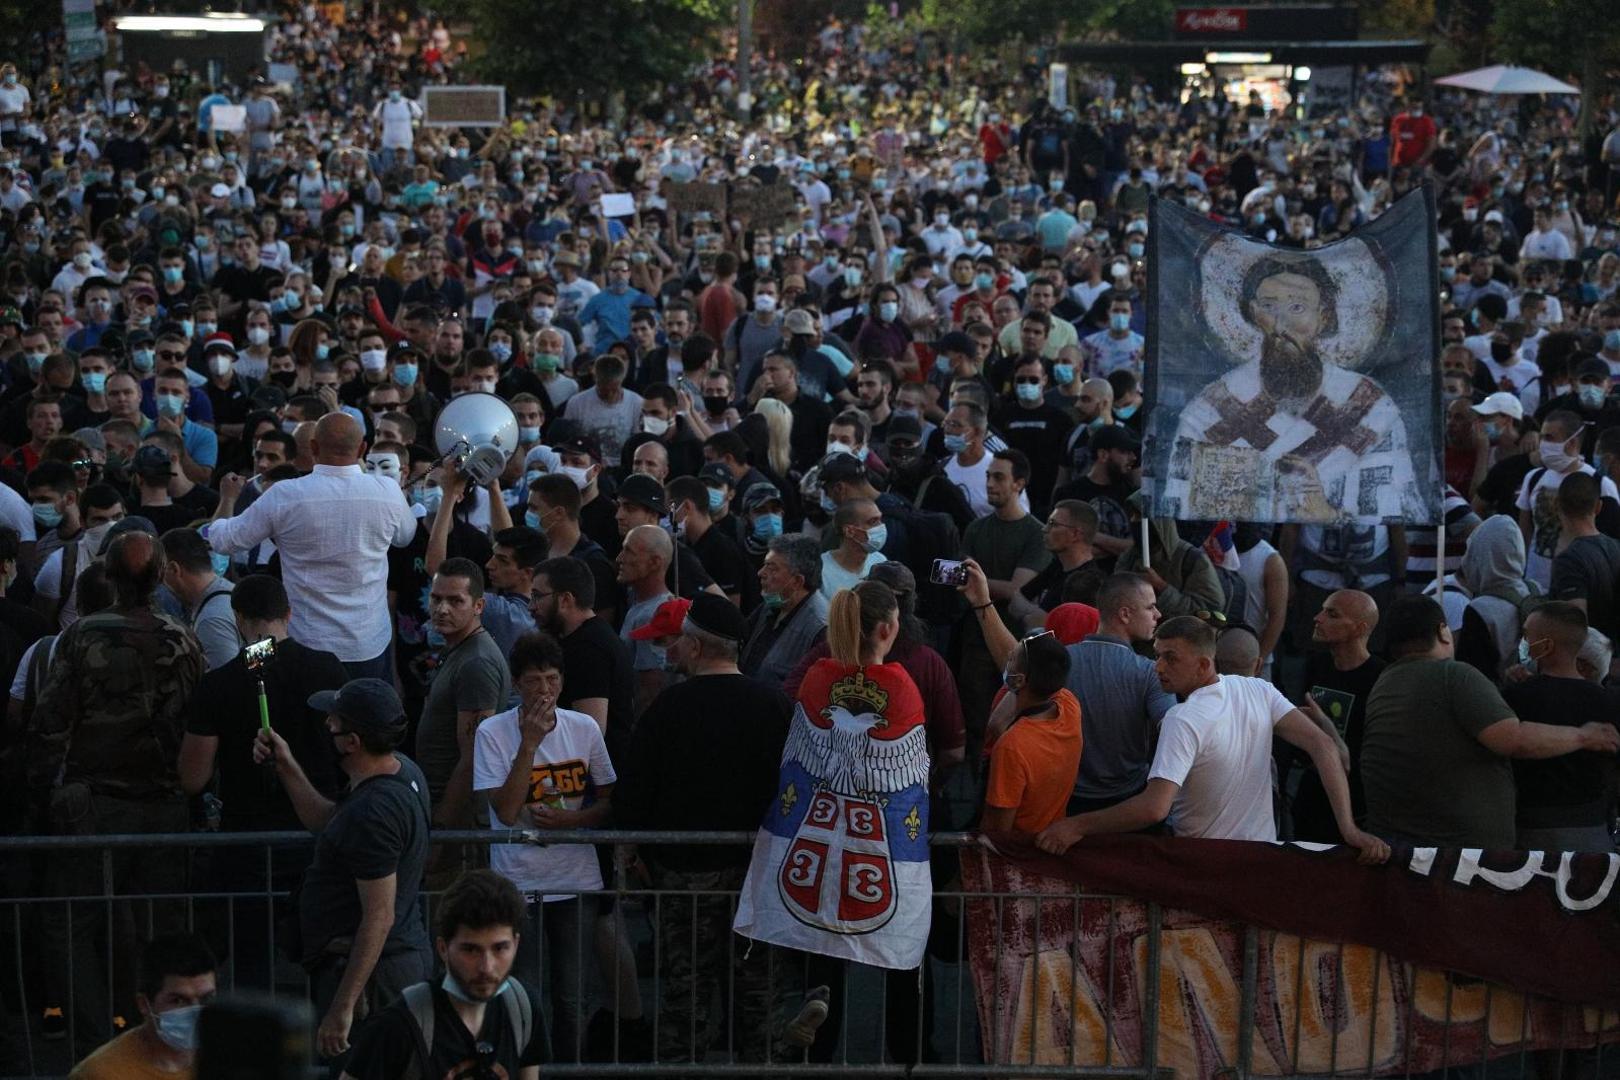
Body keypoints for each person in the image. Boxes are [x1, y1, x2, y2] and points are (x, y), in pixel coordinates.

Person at [27, 531, 205, 1051]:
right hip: (164, 807)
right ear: (160, 575)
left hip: (93, 808)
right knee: (158, 929)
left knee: (70, 924)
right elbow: (200, 718)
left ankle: (96, 1044)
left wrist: (43, 792)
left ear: (108, 576)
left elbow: (50, 719)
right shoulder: (183, 636)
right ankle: (159, 1042)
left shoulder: (82, 636)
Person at [1036, 616, 1389, 859]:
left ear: (1205, 665)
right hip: (1259, 860)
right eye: (1157, 655)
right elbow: (1323, 745)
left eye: (1171, 658)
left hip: (1204, 867)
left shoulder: (1182, 718)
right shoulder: (1258, 689)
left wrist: (1076, 826)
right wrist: (1350, 830)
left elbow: (1154, 807)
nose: (1159, 666)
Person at [617, 593, 792, 1064]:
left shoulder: (670, 707)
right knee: (758, 991)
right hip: (757, 874)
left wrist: (634, 850)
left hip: (683, 872)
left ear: (695, 648)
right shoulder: (775, 706)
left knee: (686, 990)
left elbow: (634, 788)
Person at [1159, 255, 1424, 525]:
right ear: (1252, 313)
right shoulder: (1209, 412)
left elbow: (1400, 510)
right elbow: (1182, 507)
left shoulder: (1369, 407)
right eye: (1268, 307)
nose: (1281, 325)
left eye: (1297, 307)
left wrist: (1329, 516)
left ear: (1323, 316)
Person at [177, 574, 347, 987]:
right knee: (322, 955)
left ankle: (254, 1045)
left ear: (238, 617)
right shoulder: (328, 669)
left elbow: (192, 776)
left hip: (248, 842)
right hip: (318, 833)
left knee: (251, 959)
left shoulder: (220, 683)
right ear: (289, 613)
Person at [251, 678, 433, 1062]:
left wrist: (342, 1008)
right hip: (381, 970)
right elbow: (328, 820)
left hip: (373, 981)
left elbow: (379, 916)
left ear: (353, 742)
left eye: (334, 721)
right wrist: (286, 764)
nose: (326, 725)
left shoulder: (375, 812)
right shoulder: (396, 775)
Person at [1360, 596, 1620, 849]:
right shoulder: (1458, 677)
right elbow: (1512, 738)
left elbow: (1506, 738)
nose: (1523, 642)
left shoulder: (1387, 681)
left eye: (1527, 635)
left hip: (1444, 842)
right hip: (1570, 833)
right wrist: (1584, 737)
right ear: (1442, 632)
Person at [473, 631, 613, 1062]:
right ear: (517, 684)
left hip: (575, 881)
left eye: (552, 679)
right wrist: (530, 743)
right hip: (517, 883)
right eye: (534, 681)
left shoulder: (584, 728)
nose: (545, 690)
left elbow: (609, 800)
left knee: (573, 996)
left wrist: (574, 820)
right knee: (523, 995)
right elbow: (509, 810)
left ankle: (571, 1069)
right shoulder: (492, 732)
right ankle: (525, 1070)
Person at [208, 412, 416, 679]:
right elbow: (405, 536)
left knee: (311, 720)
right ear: (363, 448)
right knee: (365, 721)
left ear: (314, 447)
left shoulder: (285, 495)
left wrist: (227, 499)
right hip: (368, 644)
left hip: (307, 644)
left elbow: (223, 541)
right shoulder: (387, 491)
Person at [337, 870, 544, 1080]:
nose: (487, 967)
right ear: (443, 948)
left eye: (500, 949)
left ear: (516, 944)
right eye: (470, 950)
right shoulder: (400, 1023)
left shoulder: (522, 1008)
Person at [1503, 602, 1620, 852]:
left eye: (1526, 636)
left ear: (1546, 646)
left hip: (1527, 833)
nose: (1522, 642)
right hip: (1593, 833)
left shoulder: (1517, 697)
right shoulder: (1609, 702)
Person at [959, 449, 1051, 761]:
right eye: (988, 475)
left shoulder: (1035, 534)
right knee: (975, 721)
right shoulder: (976, 529)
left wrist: (978, 584)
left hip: (1015, 645)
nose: (990, 483)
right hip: (974, 640)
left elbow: (1017, 590)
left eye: (999, 477)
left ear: (1019, 484)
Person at [416, 558, 511, 832]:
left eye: (455, 601)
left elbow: (473, 757)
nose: (442, 609)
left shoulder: (476, 663)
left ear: (478, 606)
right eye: (436, 599)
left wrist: (444, 827)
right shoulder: (459, 648)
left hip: (458, 820)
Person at [1288, 590, 1384, 843]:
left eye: (1332, 614)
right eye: (1322, 610)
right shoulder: (1316, 665)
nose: (1318, 618)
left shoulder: (1381, 677)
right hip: (1312, 798)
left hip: (1358, 804)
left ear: (1359, 628)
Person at [529, 556, 636, 766]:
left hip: (594, 783)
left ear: (566, 599)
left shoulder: (589, 649)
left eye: (537, 596)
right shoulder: (584, 639)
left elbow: (590, 731)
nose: (531, 607)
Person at [67, 934, 217, 1080]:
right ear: (144, 1004)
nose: (196, 1011)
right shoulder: (99, 1074)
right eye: (178, 1001)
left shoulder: (230, 1057)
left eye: (206, 998)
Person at [980, 630, 1082, 835]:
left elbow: (999, 829)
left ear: (1019, 681)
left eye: (1011, 659)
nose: (1006, 660)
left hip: (1021, 847)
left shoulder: (1012, 746)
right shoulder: (1069, 706)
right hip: (1049, 835)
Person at [741, 534, 830, 690]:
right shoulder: (770, 605)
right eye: (764, 565)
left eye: (772, 568)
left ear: (797, 581)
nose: (761, 573)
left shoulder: (821, 627)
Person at [1549, 471, 1620, 647]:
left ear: (1556, 504)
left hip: (1591, 666)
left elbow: (1574, 628)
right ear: (1598, 507)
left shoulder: (1569, 560)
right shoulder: (1617, 547)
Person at [158, 527, 239, 671]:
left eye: (162, 574)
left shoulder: (211, 621)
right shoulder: (231, 591)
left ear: (174, 569)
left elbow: (227, 684)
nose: (163, 583)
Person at [617, 524, 677, 715]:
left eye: (629, 552)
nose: (620, 559)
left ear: (655, 562)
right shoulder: (640, 606)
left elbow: (651, 688)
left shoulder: (652, 615)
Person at [820, 498, 886, 598]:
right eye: (873, 522)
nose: (881, 527)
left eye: (880, 519)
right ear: (849, 531)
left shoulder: (880, 562)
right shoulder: (821, 570)